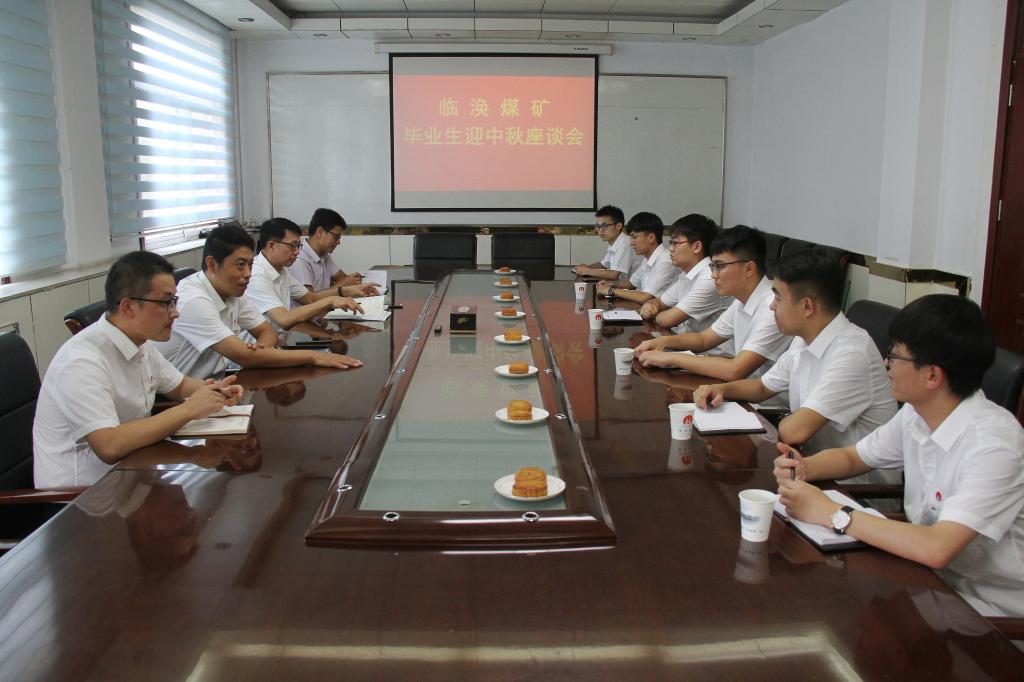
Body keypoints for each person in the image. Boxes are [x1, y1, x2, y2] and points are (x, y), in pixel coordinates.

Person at [774, 294, 1024, 621]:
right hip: (927, 580)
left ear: (932, 376)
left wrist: (833, 513)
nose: (885, 363)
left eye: (894, 355)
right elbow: (854, 457)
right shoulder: (917, 413)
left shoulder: (995, 445)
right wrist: (804, 467)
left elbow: (938, 547)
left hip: (990, 610)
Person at [32, 251, 245, 487]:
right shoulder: (81, 362)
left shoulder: (139, 343)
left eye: (174, 301)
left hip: (132, 472)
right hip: (83, 495)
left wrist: (217, 392)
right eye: (166, 303)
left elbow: (180, 385)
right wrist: (188, 410)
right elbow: (109, 446)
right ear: (128, 307)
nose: (175, 312)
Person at [694, 248, 898, 482]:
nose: (771, 306)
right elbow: (762, 387)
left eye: (778, 298)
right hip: (807, 467)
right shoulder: (805, 338)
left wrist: (781, 422)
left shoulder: (851, 353)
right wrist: (720, 389)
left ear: (807, 307)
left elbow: (794, 432)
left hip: (852, 488)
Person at [154, 224, 362, 378]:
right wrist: (314, 356)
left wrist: (259, 352)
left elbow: (266, 331)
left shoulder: (234, 290)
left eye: (250, 265)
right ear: (212, 264)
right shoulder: (194, 300)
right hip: (176, 399)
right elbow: (245, 356)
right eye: (240, 265)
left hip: (217, 382)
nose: (247, 274)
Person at [634, 225, 791, 384]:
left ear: (749, 268)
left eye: (720, 266)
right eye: (713, 266)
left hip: (758, 398)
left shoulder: (773, 307)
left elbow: (735, 370)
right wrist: (663, 342)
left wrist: (670, 357)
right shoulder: (741, 300)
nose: (714, 275)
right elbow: (704, 339)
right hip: (737, 388)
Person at [245, 217, 362, 330]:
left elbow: (310, 298)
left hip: (280, 339)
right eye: (292, 245)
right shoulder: (256, 275)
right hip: (260, 343)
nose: (297, 252)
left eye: (298, 245)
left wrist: (346, 291)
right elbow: (283, 319)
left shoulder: (281, 270)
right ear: (271, 246)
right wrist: (331, 301)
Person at [638, 214, 732, 338]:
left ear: (697, 247)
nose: (670, 249)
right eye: (670, 243)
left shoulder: (710, 277)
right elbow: (658, 302)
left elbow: (667, 320)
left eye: (675, 243)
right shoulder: (686, 274)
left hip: (709, 349)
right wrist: (650, 305)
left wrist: (652, 312)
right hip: (686, 343)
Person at [286, 207, 377, 299]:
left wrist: (351, 282)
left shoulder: (323, 254)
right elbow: (309, 299)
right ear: (320, 232)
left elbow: (341, 277)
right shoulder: (299, 259)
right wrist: (343, 286)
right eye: (336, 237)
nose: (338, 242)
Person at [596, 212, 678, 304]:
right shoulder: (647, 257)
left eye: (634, 237)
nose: (631, 243)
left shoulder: (665, 260)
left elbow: (645, 297)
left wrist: (610, 290)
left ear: (651, 237)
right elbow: (631, 284)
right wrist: (609, 284)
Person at [574, 205, 641, 281]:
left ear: (618, 226)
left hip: (634, 287)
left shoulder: (625, 243)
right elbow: (603, 264)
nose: (600, 230)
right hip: (621, 284)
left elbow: (614, 275)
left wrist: (587, 271)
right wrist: (587, 267)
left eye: (604, 226)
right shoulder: (615, 243)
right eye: (598, 226)